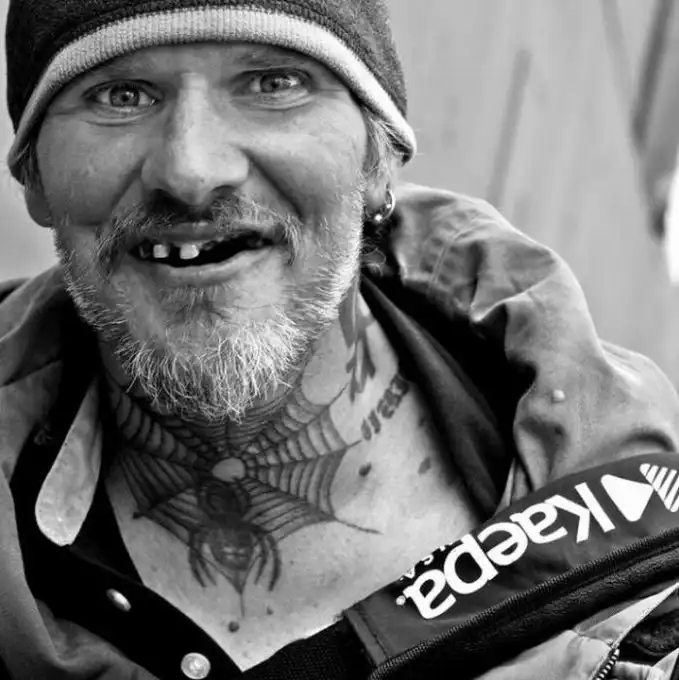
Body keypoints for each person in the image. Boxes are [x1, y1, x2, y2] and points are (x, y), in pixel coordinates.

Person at [2, 1, 679, 679]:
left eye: (273, 83)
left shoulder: (645, 571)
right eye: (120, 95)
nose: (191, 171)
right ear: (33, 176)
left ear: (378, 159)